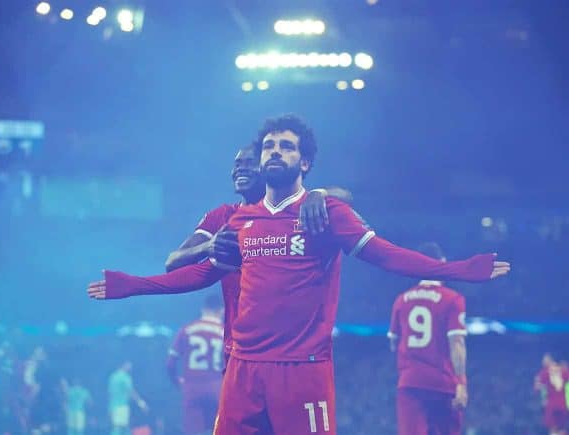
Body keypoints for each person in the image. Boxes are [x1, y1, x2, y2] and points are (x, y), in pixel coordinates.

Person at [88, 114, 510, 434]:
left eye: (285, 147)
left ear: (304, 161)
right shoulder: (237, 220)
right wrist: (131, 286)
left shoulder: (324, 213)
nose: (274, 152)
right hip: (242, 369)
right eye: (268, 145)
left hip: (302, 369)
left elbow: (385, 255)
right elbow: (196, 273)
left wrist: (457, 270)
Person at [164, 143, 353, 365]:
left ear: (267, 169)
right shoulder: (224, 216)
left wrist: (319, 193)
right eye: (237, 164)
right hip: (239, 353)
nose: (240, 169)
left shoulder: (292, 210)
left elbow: (345, 196)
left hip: (290, 350)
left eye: (249, 163)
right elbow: (172, 263)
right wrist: (207, 247)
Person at [387, 242, 467, 435]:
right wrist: (462, 383)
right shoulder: (452, 299)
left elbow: (393, 344)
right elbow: (456, 343)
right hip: (443, 384)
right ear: (442, 263)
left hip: (411, 383)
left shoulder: (401, 300)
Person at [167, 295, 225, 435]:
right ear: (221, 311)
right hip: (218, 389)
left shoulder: (187, 329)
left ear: (203, 309)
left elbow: (170, 364)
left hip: (192, 387)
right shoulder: (225, 331)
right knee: (220, 429)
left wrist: (177, 381)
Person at [108, 361, 148, 435]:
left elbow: (110, 394)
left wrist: (110, 408)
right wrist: (141, 403)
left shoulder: (112, 377)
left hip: (113, 407)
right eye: (129, 364)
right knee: (119, 429)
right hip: (122, 406)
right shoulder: (125, 377)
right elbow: (131, 392)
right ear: (124, 364)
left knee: (124, 429)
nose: (131, 366)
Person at [535, 354, 569, 435]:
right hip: (557, 406)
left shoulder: (562, 374)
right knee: (557, 428)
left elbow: (538, 387)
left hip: (559, 406)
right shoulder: (546, 374)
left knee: (557, 428)